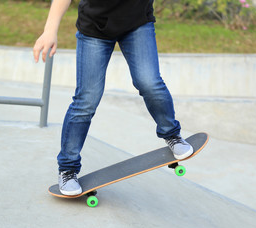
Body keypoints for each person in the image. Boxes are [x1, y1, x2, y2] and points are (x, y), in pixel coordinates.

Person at [33, 0, 193, 196]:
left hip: (137, 22)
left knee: (149, 83)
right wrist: (50, 29)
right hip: (94, 27)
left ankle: (172, 135)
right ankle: (68, 169)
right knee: (86, 100)